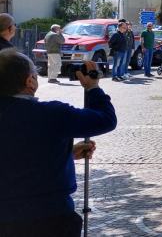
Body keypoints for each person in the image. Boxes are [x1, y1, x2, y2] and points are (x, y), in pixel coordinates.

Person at [0, 51, 117, 236]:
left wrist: (64, 153)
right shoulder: (51, 114)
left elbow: (13, 151)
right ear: (30, 81)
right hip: (49, 217)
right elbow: (105, 120)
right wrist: (93, 87)